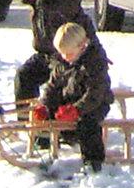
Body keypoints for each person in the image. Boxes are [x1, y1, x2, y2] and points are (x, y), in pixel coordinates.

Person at [7, 0, 93, 108]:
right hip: (46, 56)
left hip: (66, 57)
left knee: (56, 89)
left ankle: (49, 122)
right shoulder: (38, 2)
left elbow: (84, 27)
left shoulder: (62, 0)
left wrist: (94, 52)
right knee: (24, 76)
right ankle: (27, 121)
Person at [30, 21, 113, 172]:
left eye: (68, 54)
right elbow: (52, 86)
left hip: (94, 103)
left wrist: (77, 110)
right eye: (62, 53)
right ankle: (44, 144)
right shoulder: (62, 62)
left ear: (82, 46)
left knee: (88, 123)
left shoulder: (94, 62)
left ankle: (93, 161)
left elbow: (95, 93)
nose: (65, 57)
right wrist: (45, 105)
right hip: (70, 99)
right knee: (50, 111)